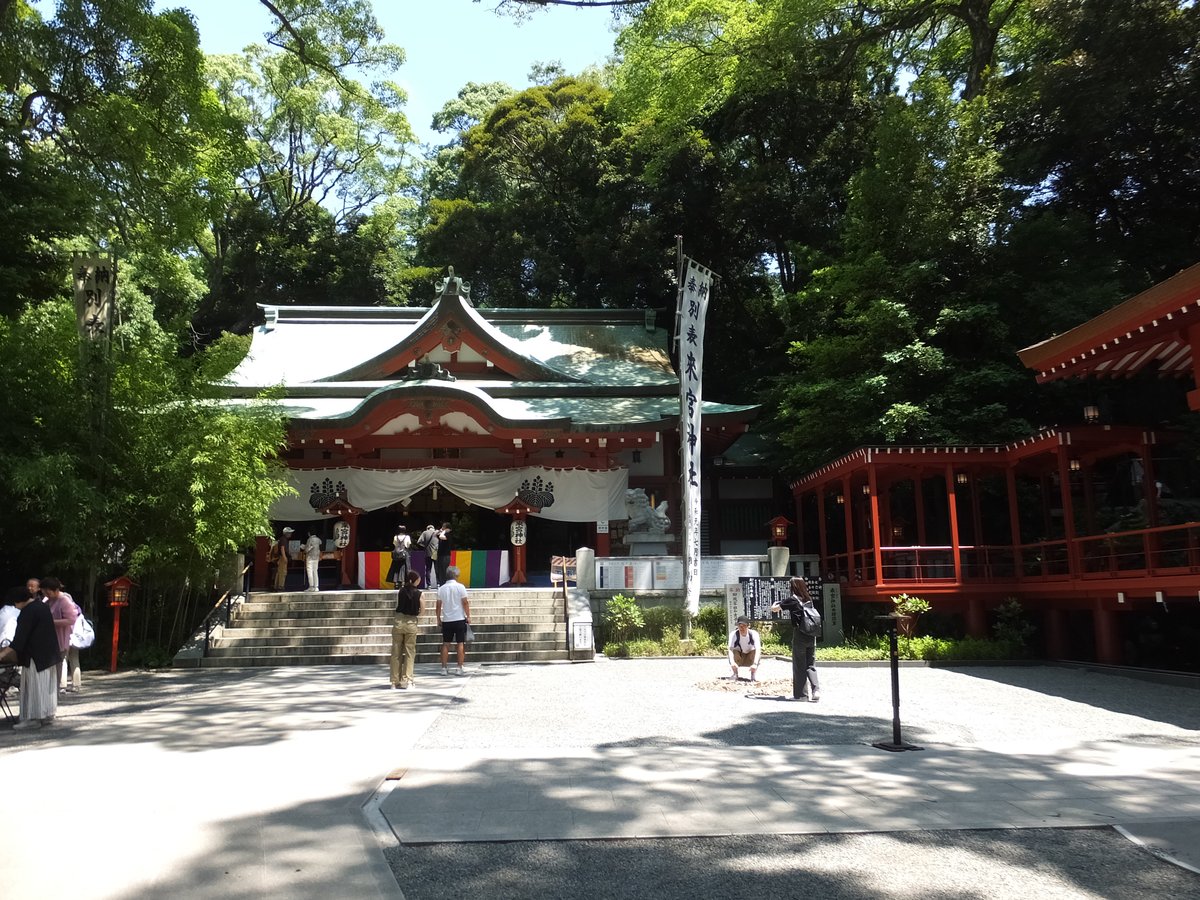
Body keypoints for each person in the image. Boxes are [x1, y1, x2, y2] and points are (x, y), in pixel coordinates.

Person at [0, 585, 60, 729]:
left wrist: (2, 654)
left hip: (35, 656)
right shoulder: (42, 606)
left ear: (18, 601)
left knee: (34, 687)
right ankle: (47, 715)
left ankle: (33, 718)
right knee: (47, 687)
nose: (16, 607)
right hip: (50, 653)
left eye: (15, 604)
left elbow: (19, 640)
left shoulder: (27, 612)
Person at [773, 577, 820, 702]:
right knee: (810, 664)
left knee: (799, 665)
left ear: (793, 587)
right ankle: (816, 690)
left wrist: (774, 604)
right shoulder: (808, 599)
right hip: (812, 634)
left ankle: (801, 695)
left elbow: (775, 609)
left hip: (800, 634)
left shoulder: (793, 600)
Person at [42, 577, 78, 694]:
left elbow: (71, 619)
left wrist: (52, 622)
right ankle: (50, 693)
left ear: (56, 590)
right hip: (49, 639)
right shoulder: (48, 601)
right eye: (44, 592)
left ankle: (55, 692)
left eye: (48, 591)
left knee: (57, 667)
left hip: (61, 638)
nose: (46, 594)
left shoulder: (64, 601)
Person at [390, 570, 423, 690]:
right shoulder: (420, 594)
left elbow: (398, 605)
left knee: (396, 652)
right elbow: (422, 610)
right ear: (413, 580)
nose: (419, 581)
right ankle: (409, 680)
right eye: (418, 579)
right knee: (410, 652)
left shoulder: (401, 591)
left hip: (398, 621)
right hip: (411, 622)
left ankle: (394, 681)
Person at [436, 565, 470, 676]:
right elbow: (465, 602)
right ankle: (459, 667)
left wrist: (438, 619)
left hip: (447, 619)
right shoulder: (461, 587)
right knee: (460, 643)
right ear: (456, 575)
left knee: (446, 643)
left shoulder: (441, 589)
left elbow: (438, 606)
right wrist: (468, 615)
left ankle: (444, 668)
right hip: (459, 618)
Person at [728, 615, 762, 682]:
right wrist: (732, 662)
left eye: (744, 625)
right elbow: (730, 649)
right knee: (734, 651)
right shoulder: (733, 634)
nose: (742, 628)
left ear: (748, 626)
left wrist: (755, 663)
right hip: (739, 657)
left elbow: (758, 649)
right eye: (740, 625)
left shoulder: (754, 634)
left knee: (755, 651)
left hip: (750, 656)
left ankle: (753, 675)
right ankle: (735, 674)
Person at [418, 524, 438, 588]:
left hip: (428, 553)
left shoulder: (425, 533)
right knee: (437, 569)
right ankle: (438, 584)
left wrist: (425, 546)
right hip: (435, 553)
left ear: (427, 528)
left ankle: (428, 585)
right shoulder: (437, 532)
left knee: (428, 569)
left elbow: (419, 542)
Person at [434, 522, 452, 587]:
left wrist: (443, 531)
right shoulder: (443, 533)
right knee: (439, 570)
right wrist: (440, 530)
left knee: (444, 570)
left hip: (445, 556)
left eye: (444, 527)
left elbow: (441, 536)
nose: (442, 528)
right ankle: (441, 584)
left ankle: (445, 584)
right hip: (440, 555)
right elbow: (435, 535)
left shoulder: (448, 534)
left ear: (447, 528)